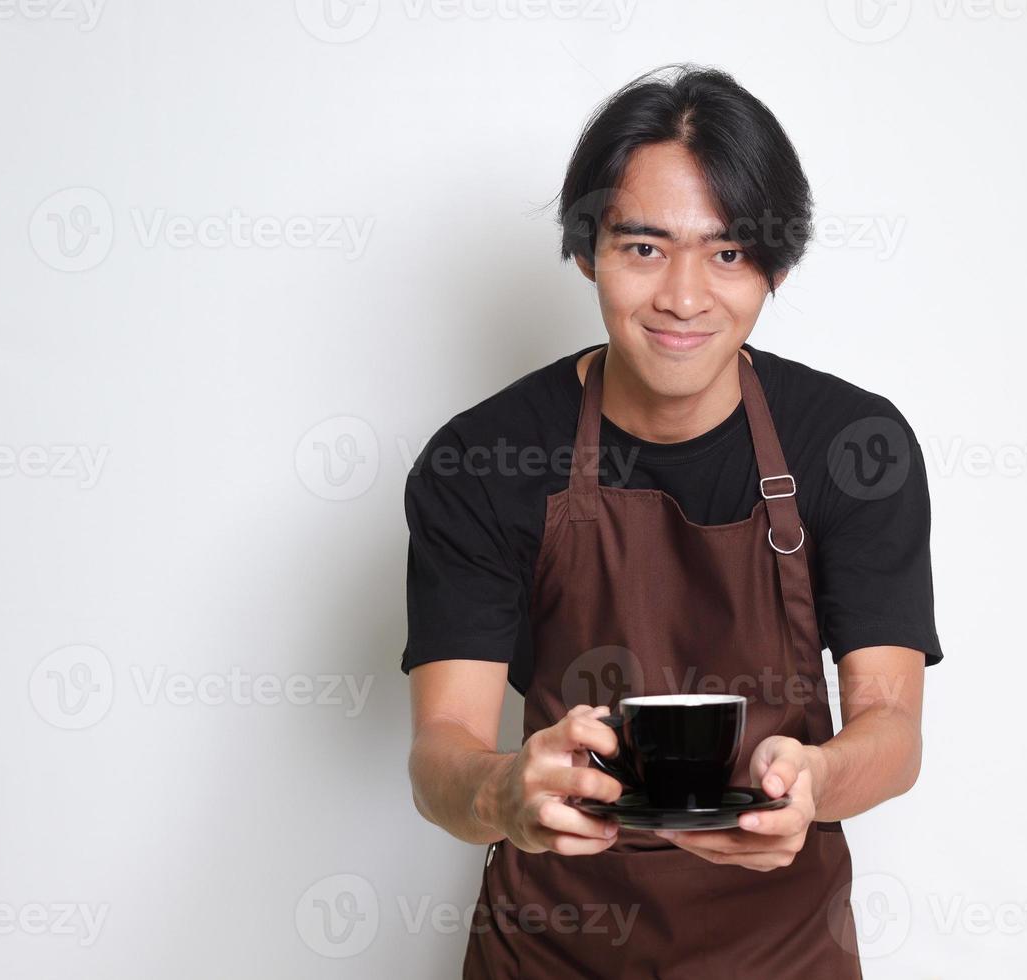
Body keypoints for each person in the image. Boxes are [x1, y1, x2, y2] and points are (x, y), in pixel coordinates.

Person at [402, 63, 943, 978]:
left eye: (727, 252)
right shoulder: (479, 458)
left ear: (774, 263)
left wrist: (813, 782)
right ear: (587, 250)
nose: (684, 297)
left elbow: (891, 728)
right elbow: (440, 753)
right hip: (550, 952)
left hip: (783, 952)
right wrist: (502, 790)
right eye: (643, 248)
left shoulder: (852, 444)